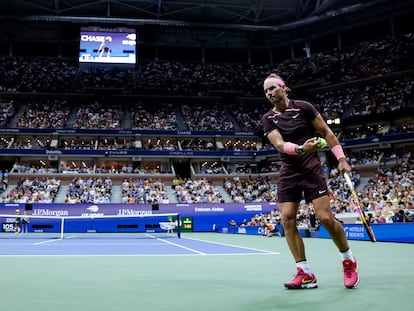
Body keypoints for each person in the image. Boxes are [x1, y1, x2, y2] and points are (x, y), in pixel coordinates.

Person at [261, 73, 359, 289]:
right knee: (287, 220)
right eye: (266, 91)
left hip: (311, 169)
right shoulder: (268, 118)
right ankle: (305, 273)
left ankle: (349, 260)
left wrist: (341, 159)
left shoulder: (303, 107)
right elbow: (279, 144)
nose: (269, 93)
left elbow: (326, 131)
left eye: (273, 88)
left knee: (325, 218)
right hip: (289, 171)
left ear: (283, 88)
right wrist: (300, 148)